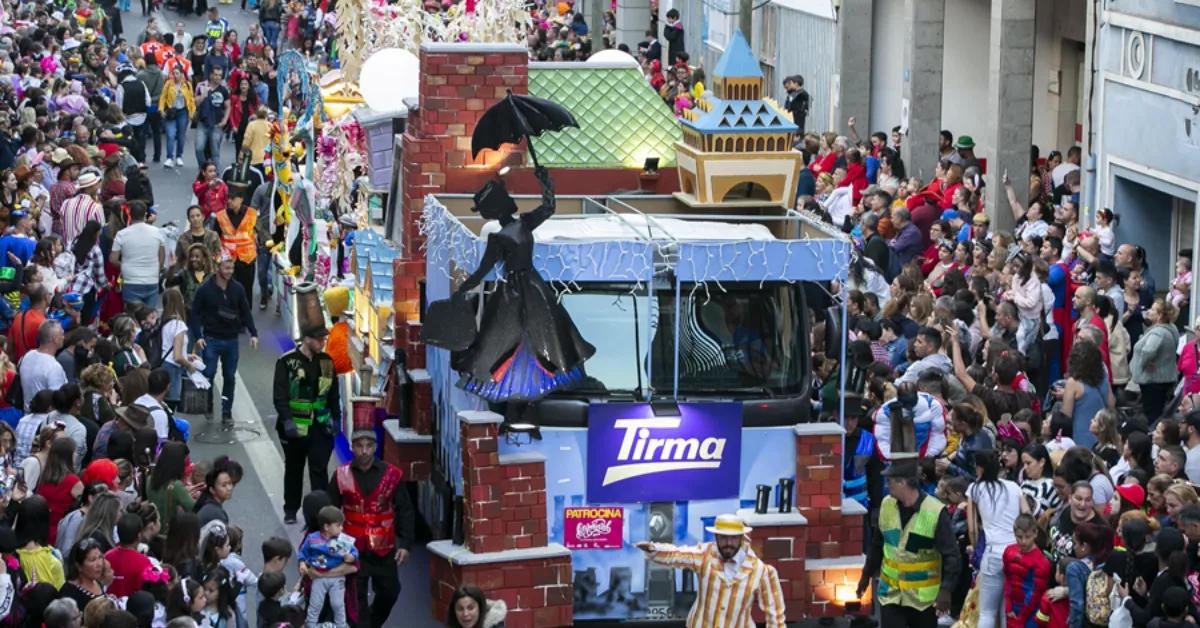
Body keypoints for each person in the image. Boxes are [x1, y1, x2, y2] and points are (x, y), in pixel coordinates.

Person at [326, 429, 416, 628]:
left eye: (368, 446)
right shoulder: (340, 475)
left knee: (390, 592)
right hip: (352, 550)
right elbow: (330, 511)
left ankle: (372, 623)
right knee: (354, 600)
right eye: (359, 446)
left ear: (375, 447)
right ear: (352, 447)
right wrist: (330, 542)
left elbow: (405, 510)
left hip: (384, 549)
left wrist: (405, 544)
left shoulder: (392, 475)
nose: (364, 451)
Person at [633, 513, 786, 627]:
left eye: (733, 538)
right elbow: (677, 554)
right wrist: (654, 549)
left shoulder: (761, 571)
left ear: (741, 538)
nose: (729, 543)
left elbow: (775, 616)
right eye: (724, 537)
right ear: (716, 537)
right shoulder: (705, 554)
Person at [858, 462, 960, 627]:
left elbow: (952, 555)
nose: (886, 486)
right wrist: (866, 575)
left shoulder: (936, 512)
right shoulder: (886, 505)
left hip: (922, 601)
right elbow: (877, 545)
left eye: (889, 481)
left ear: (903, 483)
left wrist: (946, 589)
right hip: (891, 595)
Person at [273, 323, 337, 523]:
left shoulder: (327, 362)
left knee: (319, 469)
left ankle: (321, 512)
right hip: (295, 426)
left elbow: (333, 394)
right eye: (319, 339)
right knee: (294, 468)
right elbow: (280, 395)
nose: (323, 343)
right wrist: (287, 420)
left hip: (320, 425)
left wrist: (336, 418)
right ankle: (291, 509)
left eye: (324, 339)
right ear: (307, 339)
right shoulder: (286, 362)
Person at [192, 253, 258, 423]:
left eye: (232, 268)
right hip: (211, 338)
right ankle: (208, 405)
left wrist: (253, 333)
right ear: (217, 268)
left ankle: (226, 411)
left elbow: (245, 311)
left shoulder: (237, 288)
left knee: (229, 376)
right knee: (208, 373)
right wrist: (198, 336)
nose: (230, 271)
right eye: (226, 268)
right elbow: (195, 313)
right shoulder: (205, 290)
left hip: (231, 339)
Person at [967, 450, 1028, 628]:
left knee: (987, 611)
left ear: (980, 468)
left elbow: (972, 528)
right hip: (1016, 552)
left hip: (993, 551)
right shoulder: (1014, 487)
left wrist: (975, 549)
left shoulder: (975, 489)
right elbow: (1027, 514)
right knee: (1006, 609)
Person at [299, 506, 358, 628]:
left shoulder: (343, 540)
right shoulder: (312, 539)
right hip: (318, 577)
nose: (342, 528)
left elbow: (354, 551)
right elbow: (303, 552)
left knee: (337, 603)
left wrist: (352, 557)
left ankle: (341, 625)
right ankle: (311, 624)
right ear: (326, 527)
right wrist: (302, 563)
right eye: (338, 525)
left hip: (337, 578)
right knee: (316, 603)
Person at [110, 201, 166, 308]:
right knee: (149, 314)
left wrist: (126, 266)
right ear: (145, 214)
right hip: (151, 280)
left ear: (130, 215)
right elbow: (161, 258)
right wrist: (156, 270)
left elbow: (113, 259)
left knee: (133, 314)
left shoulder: (121, 234)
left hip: (131, 281)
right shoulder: (157, 232)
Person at [213, 187, 257, 304]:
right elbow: (214, 238)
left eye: (233, 198)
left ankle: (246, 313)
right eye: (228, 198)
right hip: (227, 261)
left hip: (246, 260)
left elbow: (262, 231)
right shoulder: (220, 216)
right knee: (227, 292)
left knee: (246, 292)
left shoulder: (251, 214)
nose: (229, 201)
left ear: (241, 199)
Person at [20, 320, 67, 412]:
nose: (63, 337)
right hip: (45, 417)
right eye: (62, 334)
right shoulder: (54, 367)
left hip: (27, 413)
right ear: (55, 339)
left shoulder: (27, 356)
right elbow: (57, 402)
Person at [159, 64, 195, 169]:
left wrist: (192, 112)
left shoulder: (187, 85)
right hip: (171, 112)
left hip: (183, 112)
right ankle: (169, 157)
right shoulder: (168, 84)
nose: (175, 75)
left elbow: (191, 99)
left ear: (182, 74)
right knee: (170, 135)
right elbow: (163, 97)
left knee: (181, 135)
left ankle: (179, 156)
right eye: (173, 73)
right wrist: (161, 109)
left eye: (177, 73)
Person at [194, 68, 230, 169]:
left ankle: (215, 173)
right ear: (211, 75)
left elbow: (228, 107)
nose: (218, 77)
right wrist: (204, 94)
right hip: (203, 123)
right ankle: (204, 169)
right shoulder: (202, 87)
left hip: (217, 125)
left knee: (215, 151)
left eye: (220, 75)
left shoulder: (223, 90)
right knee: (199, 148)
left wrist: (224, 121)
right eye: (216, 75)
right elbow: (196, 103)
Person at [61, 169, 104, 247]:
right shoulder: (95, 207)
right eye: (96, 185)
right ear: (91, 186)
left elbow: (62, 226)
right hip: (89, 251)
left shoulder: (66, 203)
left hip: (68, 249)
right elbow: (100, 232)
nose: (97, 187)